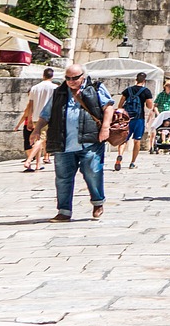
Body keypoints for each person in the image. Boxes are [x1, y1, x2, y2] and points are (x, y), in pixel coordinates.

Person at [37, 64, 114, 221]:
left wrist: (105, 127)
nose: (71, 81)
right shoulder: (59, 92)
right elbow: (46, 114)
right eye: (67, 78)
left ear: (83, 77)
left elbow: (108, 107)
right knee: (63, 178)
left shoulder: (95, 88)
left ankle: (98, 202)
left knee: (92, 172)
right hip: (63, 143)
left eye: (74, 78)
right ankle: (64, 211)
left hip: (90, 140)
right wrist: (37, 130)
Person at [18, 67, 56, 172]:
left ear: (43, 76)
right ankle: (29, 160)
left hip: (35, 117)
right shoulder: (55, 88)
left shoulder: (34, 88)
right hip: (48, 117)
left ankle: (38, 164)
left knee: (37, 139)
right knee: (41, 139)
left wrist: (29, 120)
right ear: (52, 76)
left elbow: (30, 105)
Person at [115, 72, 155, 171]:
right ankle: (132, 163)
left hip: (127, 119)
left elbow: (120, 105)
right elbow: (150, 106)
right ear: (144, 80)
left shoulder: (127, 90)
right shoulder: (146, 91)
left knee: (124, 140)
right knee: (137, 141)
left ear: (136, 79)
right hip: (139, 119)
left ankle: (120, 156)